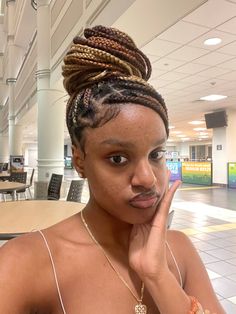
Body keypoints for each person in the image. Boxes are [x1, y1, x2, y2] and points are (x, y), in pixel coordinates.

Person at [0, 25, 225, 314]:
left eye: (156, 153)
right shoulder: (24, 264)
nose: (146, 179)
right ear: (80, 161)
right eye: (118, 158)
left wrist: (158, 277)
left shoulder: (179, 249)